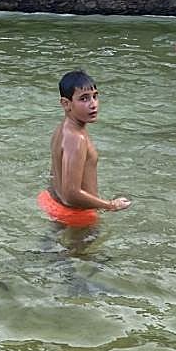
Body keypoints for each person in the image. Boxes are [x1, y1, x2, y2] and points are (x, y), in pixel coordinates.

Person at [39, 70, 130, 236]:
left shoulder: (62, 129)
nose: (93, 104)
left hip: (54, 202)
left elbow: (54, 173)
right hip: (76, 214)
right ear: (66, 104)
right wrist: (111, 205)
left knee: (56, 248)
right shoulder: (77, 138)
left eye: (95, 96)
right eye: (84, 98)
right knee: (87, 251)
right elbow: (71, 194)